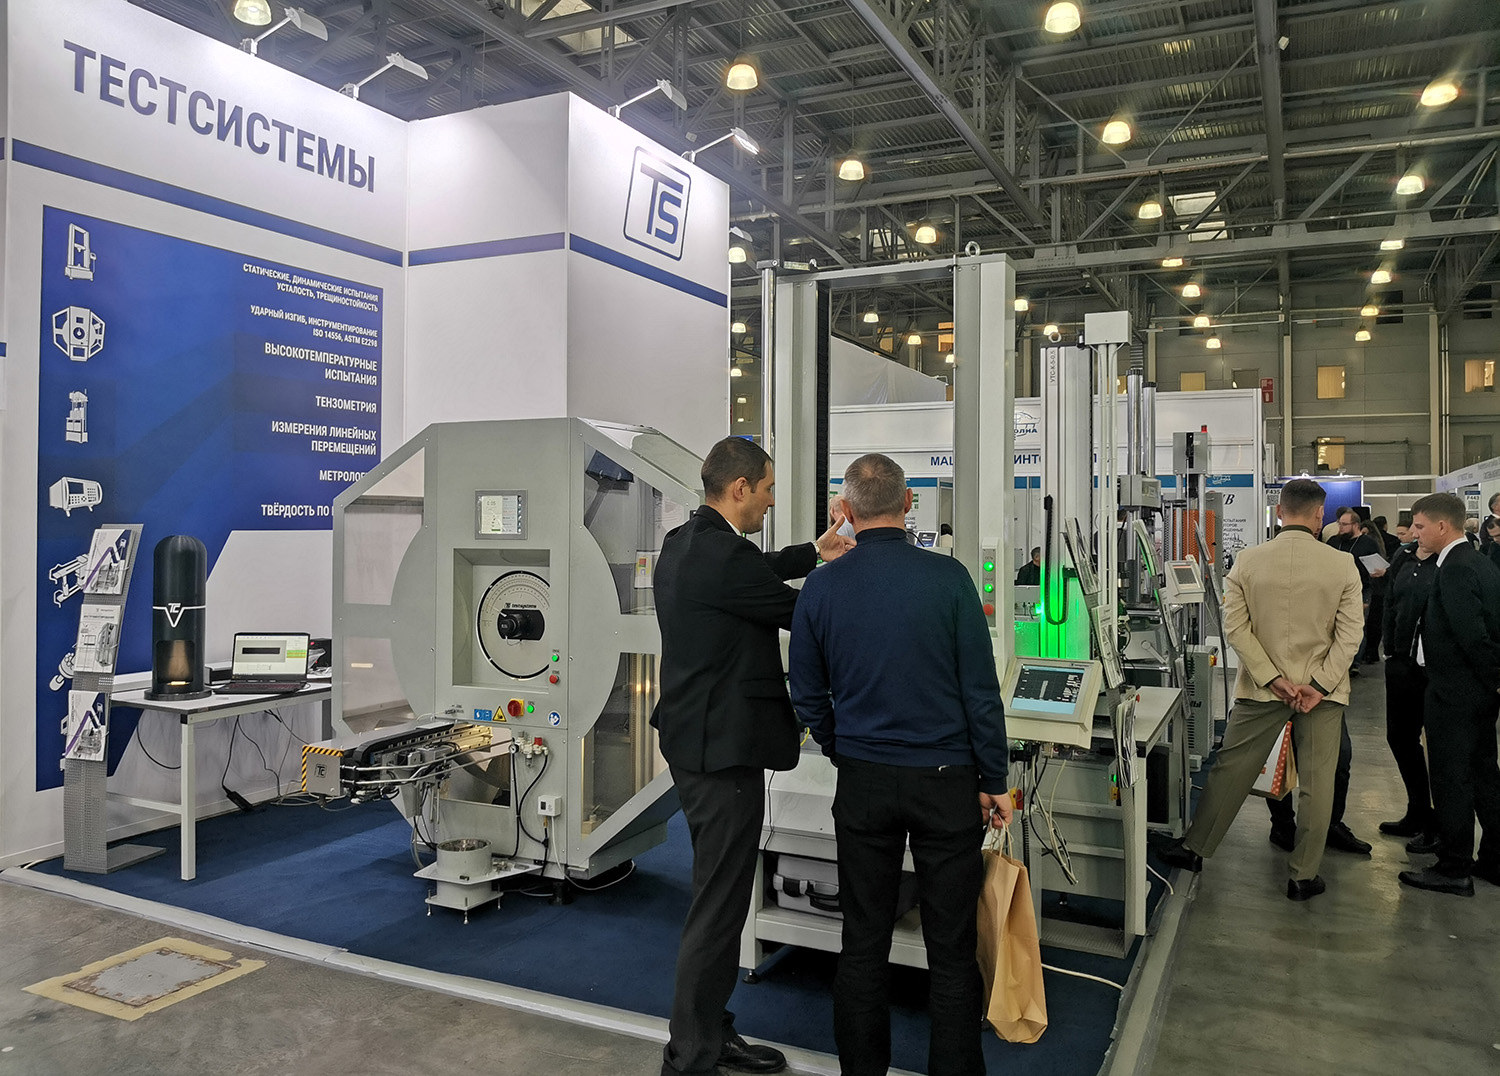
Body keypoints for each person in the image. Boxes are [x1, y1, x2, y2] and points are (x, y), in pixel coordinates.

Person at [790, 453, 1011, 1076]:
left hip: (863, 781)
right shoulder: (950, 579)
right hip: (947, 784)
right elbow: (980, 693)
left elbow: (807, 694)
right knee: (951, 948)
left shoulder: (821, 588)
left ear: (845, 510)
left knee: (862, 943)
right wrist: (994, 780)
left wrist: (841, 747)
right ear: (908, 503)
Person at [652, 436, 854, 1076]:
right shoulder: (724, 559)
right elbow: (806, 613)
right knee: (718, 905)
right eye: (767, 490)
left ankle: (710, 1032)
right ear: (740, 488)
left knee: (720, 897)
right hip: (721, 753)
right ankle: (691, 1055)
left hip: (695, 740)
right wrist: (860, 578)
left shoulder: (686, 542)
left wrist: (813, 553)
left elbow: (757, 566)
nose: (770, 501)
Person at [1159, 478, 1364, 901]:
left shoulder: (1248, 561)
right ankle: (1302, 876)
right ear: (1318, 514)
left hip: (1262, 688)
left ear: (1280, 512)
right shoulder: (1342, 564)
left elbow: (1236, 628)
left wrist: (1273, 678)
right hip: (1321, 694)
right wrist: (1318, 685)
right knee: (1317, 782)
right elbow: (1350, 636)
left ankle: (1196, 849)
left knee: (1232, 767)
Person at [1397, 492, 1500, 896]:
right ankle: (1493, 859)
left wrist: (1491, 677)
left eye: (1420, 526)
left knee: (1451, 777)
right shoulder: (1478, 561)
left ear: (1442, 526)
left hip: (1455, 692)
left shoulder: (1455, 568)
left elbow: (1472, 634)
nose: (1415, 533)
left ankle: (1454, 866)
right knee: (1484, 773)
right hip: (1475, 693)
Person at [1377, 531, 1438, 847]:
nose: (1415, 532)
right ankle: (1418, 811)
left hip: (1435, 670)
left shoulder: (1449, 562)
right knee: (1400, 737)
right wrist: (1388, 646)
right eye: (1413, 525)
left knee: (1438, 747)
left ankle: (1440, 825)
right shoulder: (1404, 556)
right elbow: (1390, 600)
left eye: (1421, 525)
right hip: (1401, 663)